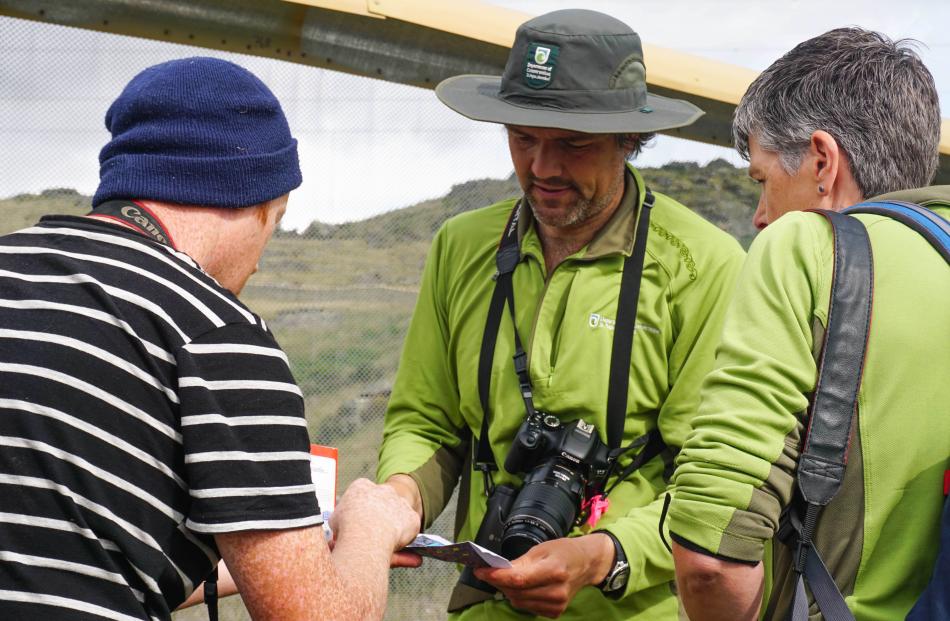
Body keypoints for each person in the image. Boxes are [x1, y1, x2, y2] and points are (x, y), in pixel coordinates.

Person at [0, 56, 419, 621]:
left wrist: (281, 561)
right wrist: (370, 529)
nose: (258, 268)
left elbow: (82, 560)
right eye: (277, 220)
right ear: (252, 200)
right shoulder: (215, 331)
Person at [377, 9, 745, 620]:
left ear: (629, 139)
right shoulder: (461, 247)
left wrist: (603, 554)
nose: (543, 168)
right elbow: (427, 419)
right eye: (522, 138)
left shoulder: (702, 268)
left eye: (573, 144)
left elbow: (707, 479)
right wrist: (400, 498)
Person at [668, 28, 949, 620]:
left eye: (762, 180)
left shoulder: (806, 245)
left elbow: (713, 561)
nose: (760, 215)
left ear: (823, 162)